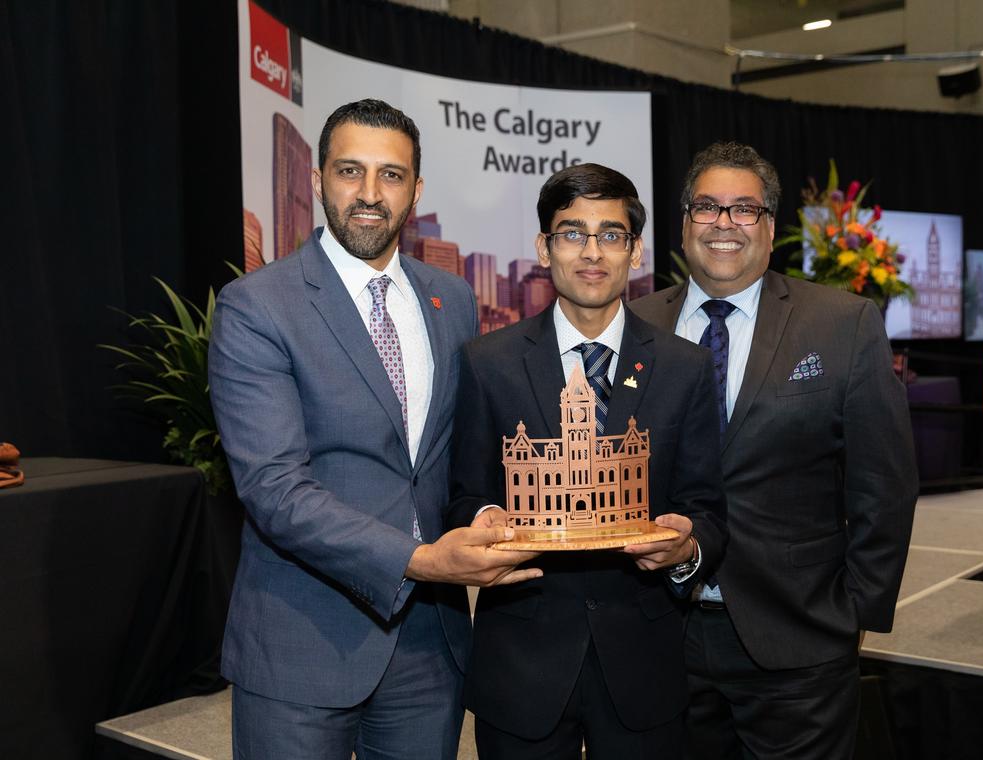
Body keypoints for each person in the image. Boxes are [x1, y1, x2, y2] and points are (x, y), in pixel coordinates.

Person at [209, 99, 539, 760]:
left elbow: (449, 460)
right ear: (318, 179)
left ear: (416, 190)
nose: (368, 193)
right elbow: (274, 489)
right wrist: (421, 560)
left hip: (429, 645)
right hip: (303, 640)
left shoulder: (453, 301)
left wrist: (489, 513)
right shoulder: (258, 306)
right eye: (349, 171)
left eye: (390, 175)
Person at [630, 142, 918, 759]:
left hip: (798, 642)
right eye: (707, 207)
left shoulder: (842, 323)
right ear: (683, 222)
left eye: (744, 209)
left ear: (770, 225)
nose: (724, 224)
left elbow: (885, 485)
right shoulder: (635, 326)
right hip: (658, 635)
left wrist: (851, 615)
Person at [448, 163, 728, 759]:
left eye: (610, 234)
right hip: (522, 663)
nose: (591, 252)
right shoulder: (486, 362)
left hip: (645, 664)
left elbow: (706, 506)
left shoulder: (685, 367)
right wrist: (490, 516)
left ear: (635, 249)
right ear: (544, 249)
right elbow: (464, 491)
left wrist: (686, 550)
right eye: (572, 233)